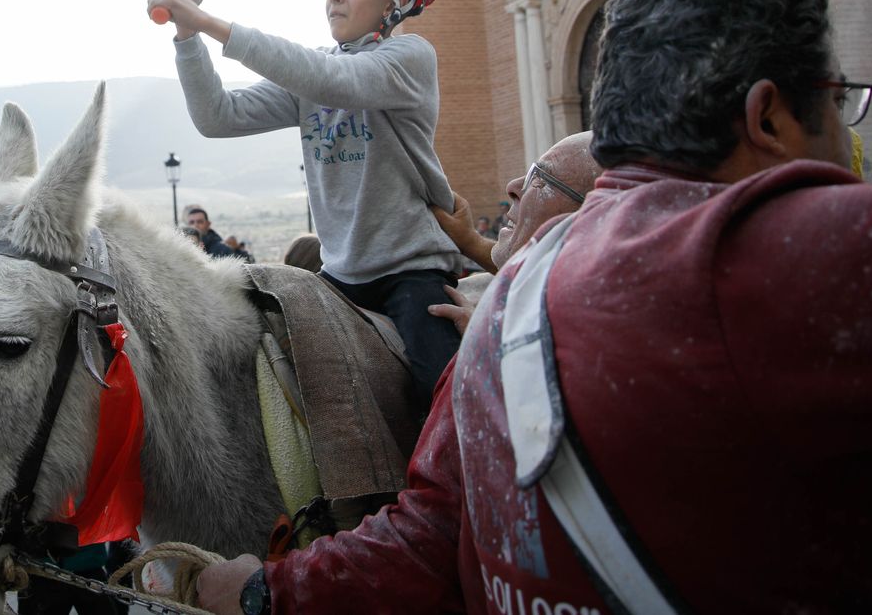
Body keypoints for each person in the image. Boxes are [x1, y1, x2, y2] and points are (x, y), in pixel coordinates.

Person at [206, 0, 872, 613]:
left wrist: (264, 593)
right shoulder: (790, 253)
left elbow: (432, 529)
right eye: (837, 103)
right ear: (767, 118)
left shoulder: (510, 299)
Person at [199, 131, 600, 614]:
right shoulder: (595, 327)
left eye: (539, 179)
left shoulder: (517, 357)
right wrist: (474, 244)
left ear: (594, 213)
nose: (514, 184)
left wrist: (264, 590)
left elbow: (428, 536)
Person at [149, 0, 463, 411]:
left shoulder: (410, 57)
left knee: (439, 394)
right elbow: (217, 117)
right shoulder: (314, 73)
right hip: (339, 275)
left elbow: (333, 80)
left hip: (413, 271)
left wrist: (208, 19)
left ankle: (460, 485)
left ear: (394, 2)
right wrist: (187, 34)